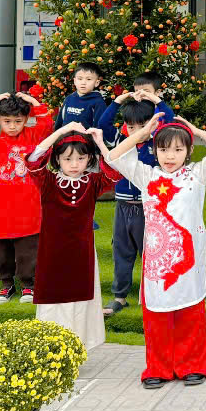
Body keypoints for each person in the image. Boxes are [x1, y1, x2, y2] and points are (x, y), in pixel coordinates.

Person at [106, 114, 206, 388]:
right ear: (155, 151)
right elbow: (113, 156)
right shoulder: (146, 176)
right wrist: (141, 135)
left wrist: (197, 130)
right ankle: (158, 367)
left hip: (189, 261)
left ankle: (192, 365)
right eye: (163, 149)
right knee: (157, 316)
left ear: (189, 150)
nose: (170, 156)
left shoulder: (197, 175)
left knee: (191, 313)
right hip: (158, 265)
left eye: (178, 149)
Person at [25, 123, 121, 350]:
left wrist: (100, 143)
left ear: (89, 159)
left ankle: (78, 347)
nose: (75, 164)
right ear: (57, 159)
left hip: (82, 253)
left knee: (80, 299)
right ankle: (50, 347)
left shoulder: (93, 183)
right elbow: (33, 160)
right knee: (53, 298)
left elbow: (115, 172)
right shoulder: (47, 181)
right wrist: (60, 131)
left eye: (81, 158)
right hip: (52, 253)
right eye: (67, 159)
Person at [0, 91, 52, 304]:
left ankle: (28, 285)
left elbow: (47, 125)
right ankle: (6, 285)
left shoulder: (33, 136)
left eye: (18, 121)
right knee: (0, 251)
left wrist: (34, 102)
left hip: (28, 207)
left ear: (26, 119)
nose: (13, 126)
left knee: (28, 250)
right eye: (7, 121)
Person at [97, 86, 173, 318]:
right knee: (121, 251)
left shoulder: (158, 142)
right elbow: (103, 124)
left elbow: (169, 119)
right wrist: (117, 102)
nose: (137, 132)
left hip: (148, 208)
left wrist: (154, 99)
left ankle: (154, 295)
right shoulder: (122, 141)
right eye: (131, 127)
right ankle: (119, 296)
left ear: (152, 124)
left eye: (142, 126)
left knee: (151, 253)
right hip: (123, 206)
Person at [53, 61, 110, 130]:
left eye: (88, 79)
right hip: (65, 136)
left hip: (85, 136)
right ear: (75, 81)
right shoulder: (69, 99)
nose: (83, 82)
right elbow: (59, 122)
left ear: (96, 83)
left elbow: (100, 128)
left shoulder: (98, 102)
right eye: (80, 79)